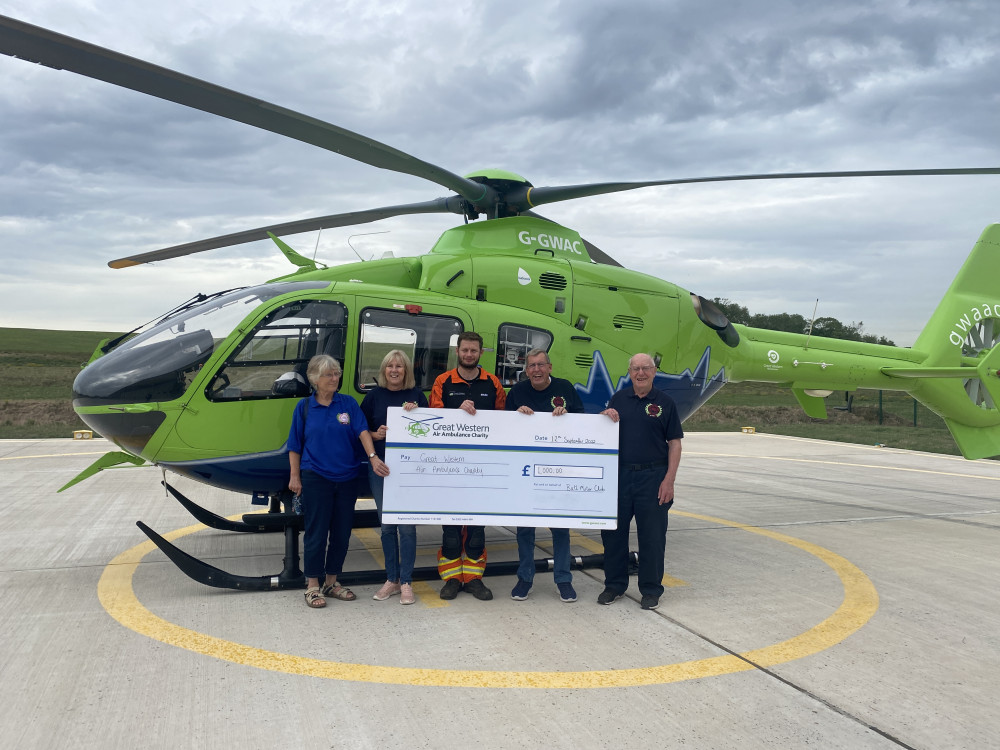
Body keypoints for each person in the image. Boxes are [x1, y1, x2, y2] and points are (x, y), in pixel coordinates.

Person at [288, 355, 389, 609]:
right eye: (328, 375)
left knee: (342, 534)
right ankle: (312, 585)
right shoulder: (304, 407)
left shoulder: (348, 404)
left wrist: (373, 456)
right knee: (316, 533)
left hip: (346, 478)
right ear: (314, 379)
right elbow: (294, 445)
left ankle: (331, 582)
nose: (334, 379)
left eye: (336, 374)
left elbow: (362, 432)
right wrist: (294, 476)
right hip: (316, 477)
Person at [599, 353, 683, 610]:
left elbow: (675, 444)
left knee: (652, 537)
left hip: (653, 477)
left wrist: (669, 480)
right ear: (630, 372)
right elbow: (603, 433)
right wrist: (605, 415)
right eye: (636, 369)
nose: (641, 373)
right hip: (620, 476)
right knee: (613, 535)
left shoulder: (666, 403)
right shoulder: (618, 399)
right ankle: (614, 585)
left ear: (655, 371)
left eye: (646, 368)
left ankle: (650, 589)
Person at [429, 331, 506, 600]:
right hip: (450, 467)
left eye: (474, 350)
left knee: (476, 529)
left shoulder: (493, 383)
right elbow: (433, 421)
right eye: (465, 350)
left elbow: (503, 423)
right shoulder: (442, 382)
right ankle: (451, 579)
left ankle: (473, 578)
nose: (469, 355)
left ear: (480, 353)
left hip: (482, 467)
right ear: (458, 352)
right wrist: (454, 412)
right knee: (451, 528)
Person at [505, 348, 584, 603]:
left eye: (541, 365)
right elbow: (503, 430)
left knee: (560, 528)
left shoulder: (565, 389)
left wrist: (567, 417)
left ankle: (563, 580)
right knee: (525, 529)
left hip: (557, 470)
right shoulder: (516, 393)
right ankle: (525, 578)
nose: (536, 370)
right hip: (525, 472)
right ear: (526, 371)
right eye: (531, 366)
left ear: (550, 367)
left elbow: (583, 424)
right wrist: (517, 418)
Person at [360, 350, 428, 606]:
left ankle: (407, 581)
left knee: (407, 526)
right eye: (390, 366)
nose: (395, 370)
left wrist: (417, 413)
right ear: (384, 370)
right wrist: (376, 436)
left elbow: (429, 431)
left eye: (399, 366)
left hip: (410, 470)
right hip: (380, 468)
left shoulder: (417, 396)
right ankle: (392, 579)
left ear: (406, 370)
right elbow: (360, 430)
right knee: (387, 526)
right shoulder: (373, 397)